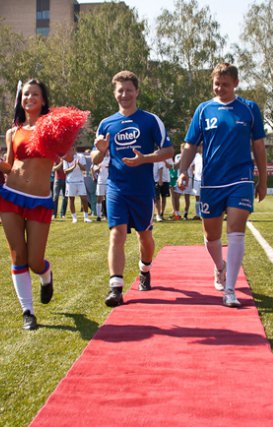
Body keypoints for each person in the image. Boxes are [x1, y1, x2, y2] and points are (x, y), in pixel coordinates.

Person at [177, 63, 267, 308]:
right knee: (211, 236)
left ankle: (230, 290)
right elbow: (190, 144)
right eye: (216, 84)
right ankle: (220, 267)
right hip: (211, 182)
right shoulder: (203, 110)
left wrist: (263, 180)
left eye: (225, 84)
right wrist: (182, 172)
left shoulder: (249, 109)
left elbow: (259, 146)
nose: (220, 88)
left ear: (236, 83)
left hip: (240, 179)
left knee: (236, 231)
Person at [92, 70, 173, 307]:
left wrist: (145, 159)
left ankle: (145, 269)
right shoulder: (106, 123)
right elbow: (95, 158)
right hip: (116, 188)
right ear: (114, 93)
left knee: (144, 236)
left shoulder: (150, 120)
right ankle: (115, 288)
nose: (124, 94)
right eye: (120, 90)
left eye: (129, 90)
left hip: (143, 189)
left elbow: (169, 151)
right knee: (116, 234)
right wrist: (100, 151)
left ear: (137, 92)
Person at [0, 78, 57, 330]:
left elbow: (63, 155)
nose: (29, 98)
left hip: (39, 200)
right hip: (11, 196)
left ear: (43, 100)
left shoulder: (52, 129)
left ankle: (46, 275)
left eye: (35, 94)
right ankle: (28, 312)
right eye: (26, 94)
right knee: (18, 256)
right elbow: (9, 166)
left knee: (35, 262)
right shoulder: (13, 132)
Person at [63, 146, 92, 223]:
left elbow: (84, 169)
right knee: (71, 199)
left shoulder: (81, 156)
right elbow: (65, 171)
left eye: (70, 147)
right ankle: (74, 218)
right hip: (70, 181)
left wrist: (79, 164)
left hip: (80, 181)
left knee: (84, 199)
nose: (69, 149)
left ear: (73, 147)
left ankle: (86, 218)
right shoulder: (66, 157)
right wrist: (73, 166)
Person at [92, 150, 110, 221]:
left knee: (108, 198)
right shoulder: (99, 159)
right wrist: (98, 168)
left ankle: (108, 215)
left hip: (109, 181)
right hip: (101, 181)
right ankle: (99, 216)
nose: (106, 152)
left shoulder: (111, 158)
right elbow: (94, 169)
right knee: (99, 198)